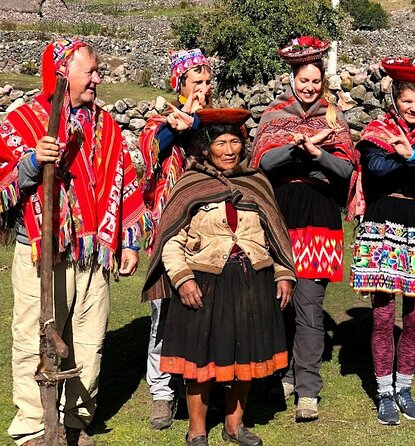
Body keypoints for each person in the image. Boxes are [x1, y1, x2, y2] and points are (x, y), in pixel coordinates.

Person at [0, 38, 149, 446]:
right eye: (91, 72)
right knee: (36, 338)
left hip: (93, 255)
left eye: (98, 71)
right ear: (64, 74)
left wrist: (130, 242)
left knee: (88, 341)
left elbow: (125, 184)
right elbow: (4, 180)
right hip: (42, 253)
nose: (98, 80)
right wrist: (33, 161)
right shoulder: (25, 121)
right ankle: (33, 427)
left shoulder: (107, 127)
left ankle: (73, 424)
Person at [142, 108, 296, 446]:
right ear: (207, 148)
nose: (229, 150)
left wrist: (284, 272)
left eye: (235, 142)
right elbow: (170, 241)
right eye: (221, 143)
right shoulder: (190, 185)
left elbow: (276, 234)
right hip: (204, 283)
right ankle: (196, 428)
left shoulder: (256, 182)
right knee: (199, 361)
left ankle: (234, 425)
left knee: (246, 358)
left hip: (251, 281)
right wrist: (182, 279)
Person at [250, 36, 356, 421]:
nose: (310, 87)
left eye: (316, 81)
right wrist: (297, 150)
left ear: (322, 82)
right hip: (278, 218)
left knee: (309, 305)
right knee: (277, 301)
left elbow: (346, 170)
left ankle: (308, 389)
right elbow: (262, 162)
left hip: (319, 217)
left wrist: (318, 154)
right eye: (303, 80)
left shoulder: (334, 118)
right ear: (292, 79)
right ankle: (284, 373)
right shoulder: (274, 116)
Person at [349, 57, 415, 425]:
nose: (413, 108)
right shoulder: (377, 130)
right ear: (395, 100)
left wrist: (412, 153)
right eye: (406, 100)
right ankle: (383, 392)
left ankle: (404, 387)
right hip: (384, 225)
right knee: (382, 316)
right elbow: (375, 172)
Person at [137, 47, 212, 430]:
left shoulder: (214, 122)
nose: (203, 87)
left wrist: (199, 122)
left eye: (206, 80)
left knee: (204, 312)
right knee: (163, 313)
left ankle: (196, 387)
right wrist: (177, 126)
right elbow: (151, 152)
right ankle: (162, 394)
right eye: (195, 81)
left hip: (208, 233)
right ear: (179, 84)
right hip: (170, 231)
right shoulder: (159, 121)